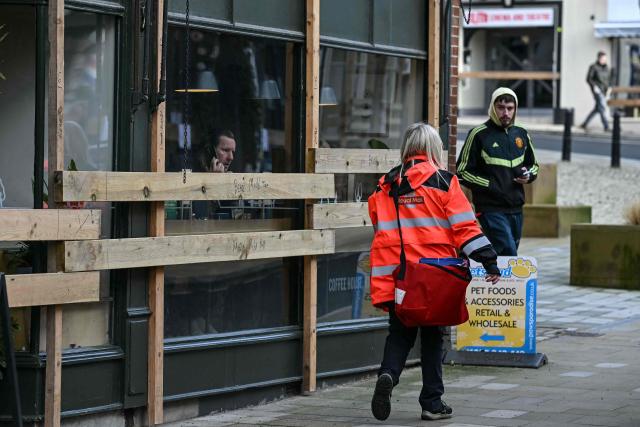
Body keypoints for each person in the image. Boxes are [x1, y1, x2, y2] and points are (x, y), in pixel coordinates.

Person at [368, 123, 501, 422]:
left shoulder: (385, 185)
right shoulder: (443, 181)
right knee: (432, 338)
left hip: (397, 277)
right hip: (433, 279)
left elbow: (379, 224)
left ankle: (388, 375)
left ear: (407, 147)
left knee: (399, 334)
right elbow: (465, 228)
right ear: (432, 148)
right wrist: (489, 261)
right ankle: (432, 402)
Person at [456, 87, 538, 256]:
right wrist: (491, 184)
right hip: (490, 208)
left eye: (510, 108)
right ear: (492, 107)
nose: (506, 113)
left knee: (505, 252)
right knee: (509, 252)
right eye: (501, 108)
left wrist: (528, 175)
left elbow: (534, 165)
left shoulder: (521, 134)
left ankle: (479, 275)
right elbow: (462, 171)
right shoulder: (478, 135)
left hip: (516, 207)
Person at [192, 129, 237, 219]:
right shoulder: (193, 175)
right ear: (210, 151)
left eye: (233, 152)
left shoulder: (227, 177)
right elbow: (200, 215)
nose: (231, 157)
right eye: (225, 150)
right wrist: (212, 182)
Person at [580, 51, 611, 131]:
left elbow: (608, 79)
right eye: (603, 58)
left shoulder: (606, 68)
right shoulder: (593, 67)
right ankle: (606, 126)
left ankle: (584, 124)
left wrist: (609, 88)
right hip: (597, 91)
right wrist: (594, 87)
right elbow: (589, 79)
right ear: (599, 58)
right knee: (601, 107)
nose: (605, 60)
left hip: (604, 91)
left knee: (597, 108)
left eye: (605, 58)